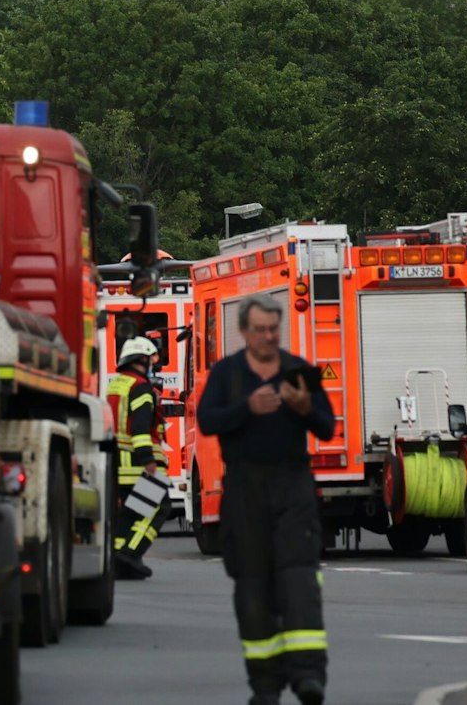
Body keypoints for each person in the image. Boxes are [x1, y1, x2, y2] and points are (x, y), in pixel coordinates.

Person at [196, 298, 336, 705]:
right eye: (260, 330)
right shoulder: (227, 374)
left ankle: (308, 676)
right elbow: (207, 421)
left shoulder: (297, 370)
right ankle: (266, 685)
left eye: (274, 329)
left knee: (300, 581)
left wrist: (305, 408)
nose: (268, 337)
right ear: (244, 331)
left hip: (293, 486)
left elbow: (326, 427)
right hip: (245, 489)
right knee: (253, 589)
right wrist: (248, 408)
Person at [107, 334, 166, 579]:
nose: (152, 365)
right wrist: (147, 459)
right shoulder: (140, 386)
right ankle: (130, 554)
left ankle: (117, 556)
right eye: (150, 359)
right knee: (159, 506)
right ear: (141, 359)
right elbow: (140, 427)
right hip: (134, 463)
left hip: (116, 463)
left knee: (129, 512)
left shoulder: (116, 384)